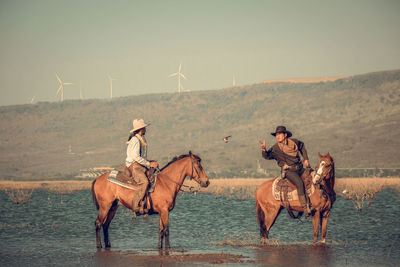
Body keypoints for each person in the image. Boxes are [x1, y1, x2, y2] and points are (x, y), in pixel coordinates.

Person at [259, 126, 312, 217]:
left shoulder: (294, 142)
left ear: (285, 135)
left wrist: (306, 158)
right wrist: (264, 149)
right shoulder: (276, 148)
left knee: (313, 176)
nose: (278, 136)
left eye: (280, 134)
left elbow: (302, 146)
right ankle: (305, 208)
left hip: (299, 168)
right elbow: (267, 156)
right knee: (299, 183)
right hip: (289, 172)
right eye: (276, 135)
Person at [126, 118, 159, 213]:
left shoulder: (142, 139)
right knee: (144, 182)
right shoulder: (135, 140)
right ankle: (135, 206)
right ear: (141, 129)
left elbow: (141, 157)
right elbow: (136, 157)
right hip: (134, 166)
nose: (146, 129)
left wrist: (150, 162)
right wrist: (149, 163)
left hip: (140, 165)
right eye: (144, 128)